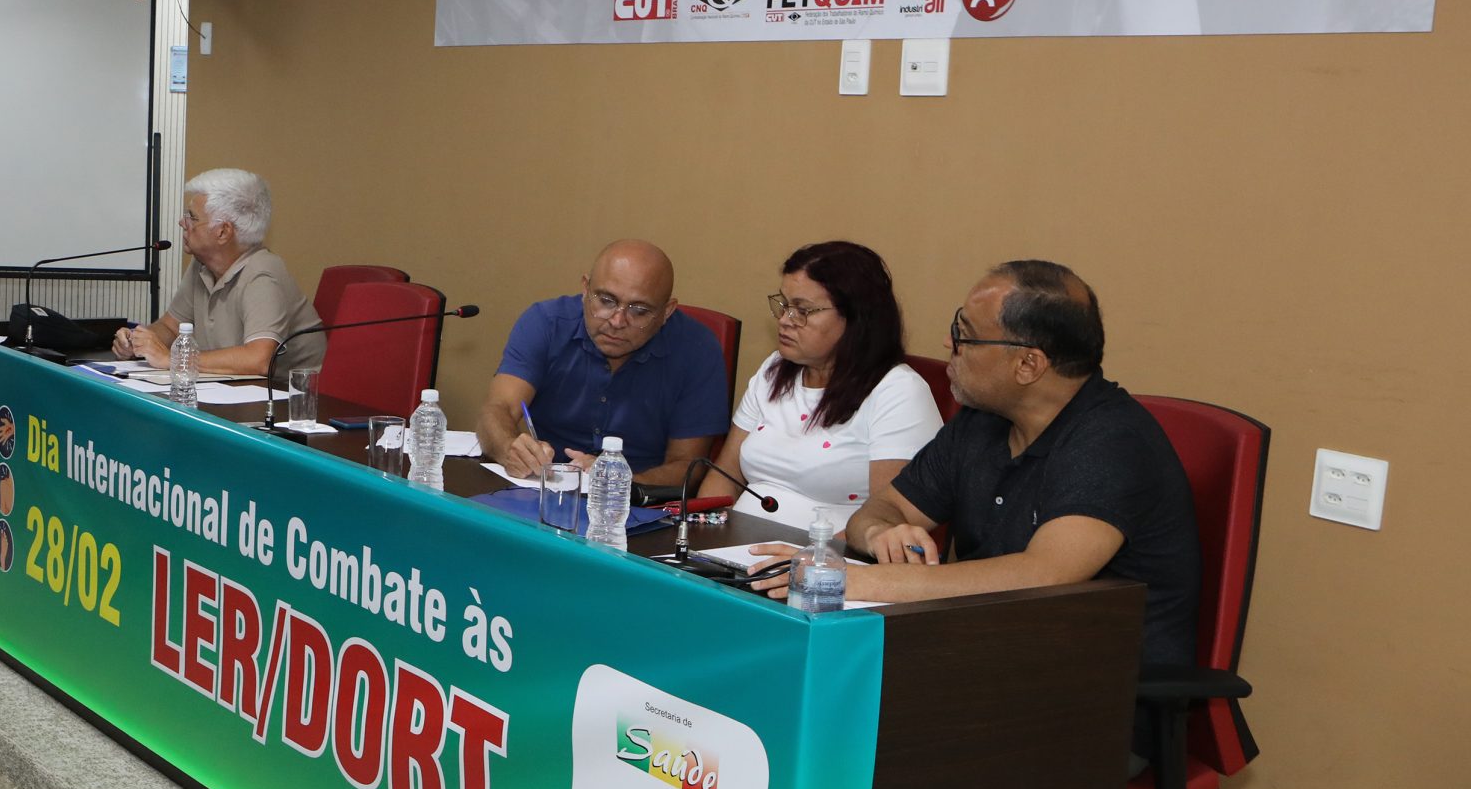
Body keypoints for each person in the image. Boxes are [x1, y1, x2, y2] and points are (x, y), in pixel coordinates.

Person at [759, 261, 1201, 671]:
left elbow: (1043, 574)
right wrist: (881, 534)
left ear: (1028, 364)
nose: (949, 345)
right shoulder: (982, 421)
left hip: (1094, 692)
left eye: (964, 334)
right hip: (988, 653)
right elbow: (877, 511)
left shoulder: (1111, 442)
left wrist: (861, 583)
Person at [702, 242, 943, 528]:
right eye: (784, 304)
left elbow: (888, 522)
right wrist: (700, 534)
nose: (784, 320)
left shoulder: (898, 392)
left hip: (830, 563)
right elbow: (724, 475)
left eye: (802, 310)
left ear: (855, 318)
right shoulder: (774, 370)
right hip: (732, 552)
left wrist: (808, 558)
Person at [475, 239, 728, 488]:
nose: (617, 321)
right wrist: (510, 448)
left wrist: (619, 483)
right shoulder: (546, 323)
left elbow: (688, 466)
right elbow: (498, 409)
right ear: (586, 288)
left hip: (638, 502)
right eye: (606, 301)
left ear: (667, 311)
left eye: (639, 310)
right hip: (543, 486)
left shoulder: (697, 349)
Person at [111, 168, 325, 378]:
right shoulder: (202, 265)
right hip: (236, 391)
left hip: (292, 400)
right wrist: (141, 343)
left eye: (192, 217)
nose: (182, 223)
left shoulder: (263, 274)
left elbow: (259, 359)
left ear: (222, 232)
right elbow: (170, 327)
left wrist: (173, 359)